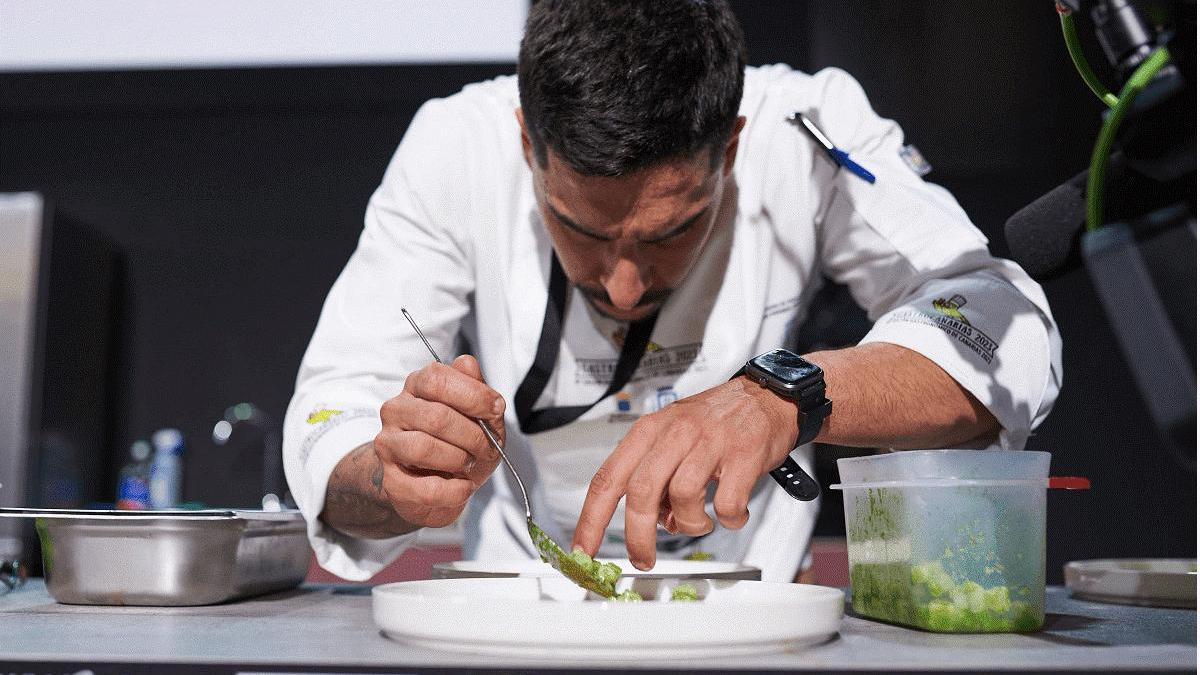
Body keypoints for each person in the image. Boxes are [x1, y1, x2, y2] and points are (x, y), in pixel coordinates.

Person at [283, 0, 1061, 582]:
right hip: (518, 620)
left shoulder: (809, 128)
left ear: (731, 145)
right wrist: (395, 473)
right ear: (529, 142)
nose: (624, 287)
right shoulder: (458, 145)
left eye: (669, 232)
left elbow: (1006, 320)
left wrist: (784, 396)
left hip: (753, 624)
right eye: (580, 228)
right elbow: (334, 408)